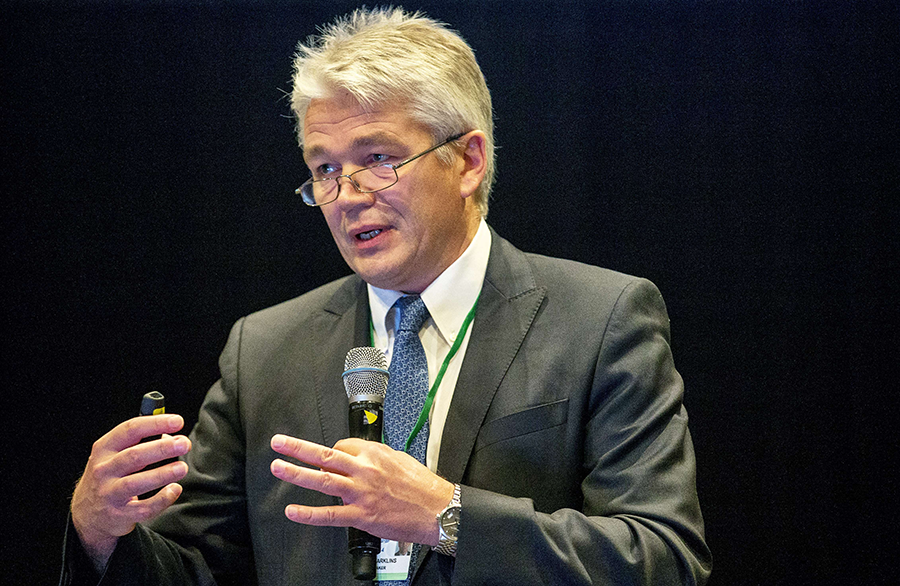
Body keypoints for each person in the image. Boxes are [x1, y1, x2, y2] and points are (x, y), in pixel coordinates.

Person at [61, 7, 711, 586]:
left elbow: (665, 558)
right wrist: (99, 533)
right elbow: (197, 568)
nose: (347, 195)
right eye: (325, 169)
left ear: (468, 161)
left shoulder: (600, 319)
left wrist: (449, 517)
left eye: (377, 158)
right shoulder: (262, 350)